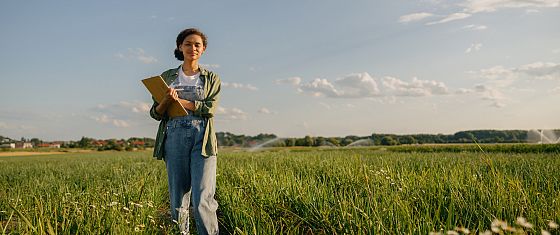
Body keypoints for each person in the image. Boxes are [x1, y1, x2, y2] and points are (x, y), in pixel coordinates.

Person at [149, 28, 220, 235]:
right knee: (178, 197)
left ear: (203, 49)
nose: (192, 48)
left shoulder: (211, 78)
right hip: (174, 136)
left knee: (203, 198)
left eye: (197, 44)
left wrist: (178, 100)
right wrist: (166, 100)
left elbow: (209, 109)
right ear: (180, 47)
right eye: (188, 44)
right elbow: (156, 113)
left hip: (203, 138)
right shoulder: (167, 76)